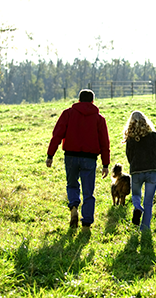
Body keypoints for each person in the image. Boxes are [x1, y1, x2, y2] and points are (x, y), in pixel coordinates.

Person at [46, 89, 110, 232]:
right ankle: (86, 224)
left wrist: (50, 155)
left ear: (79, 100)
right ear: (93, 101)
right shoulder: (99, 119)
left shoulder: (68, 114)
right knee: (89, 191)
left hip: (71, 156)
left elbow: (57, 135)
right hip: (89, 158)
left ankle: (74, 205)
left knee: (72, 184)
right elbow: (105, 143)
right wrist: (105, 164)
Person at [123, 111, 156, 231]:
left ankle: (137, 207)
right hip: (152, 171)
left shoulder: (130, 139)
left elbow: (129, 156)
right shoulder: (154, 136)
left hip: (136, 171)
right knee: (148, 201)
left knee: (136, 195)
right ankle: (145, 228)